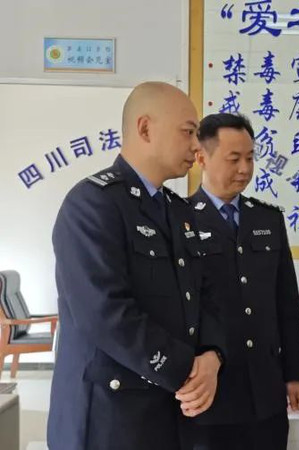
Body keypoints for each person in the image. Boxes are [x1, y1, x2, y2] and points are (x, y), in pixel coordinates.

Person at [48, 82, 225, 450]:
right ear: (145, 128)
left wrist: (213, 356)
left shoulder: (178, 212)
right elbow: (105, 314)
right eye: (188, 132)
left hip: (172, 411)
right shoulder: (92, 205)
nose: (197, 145)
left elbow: (206, 295)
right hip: (112, 418)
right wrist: (186, 369)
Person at [180, 113, 299, 450]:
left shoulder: (267, 218)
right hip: (210, 393)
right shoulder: (181, 220)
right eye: (234, 158)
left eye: (250, 158)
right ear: (202, 157)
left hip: (265, 390)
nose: (244, 169)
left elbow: (286, 302)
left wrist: (295, 374)